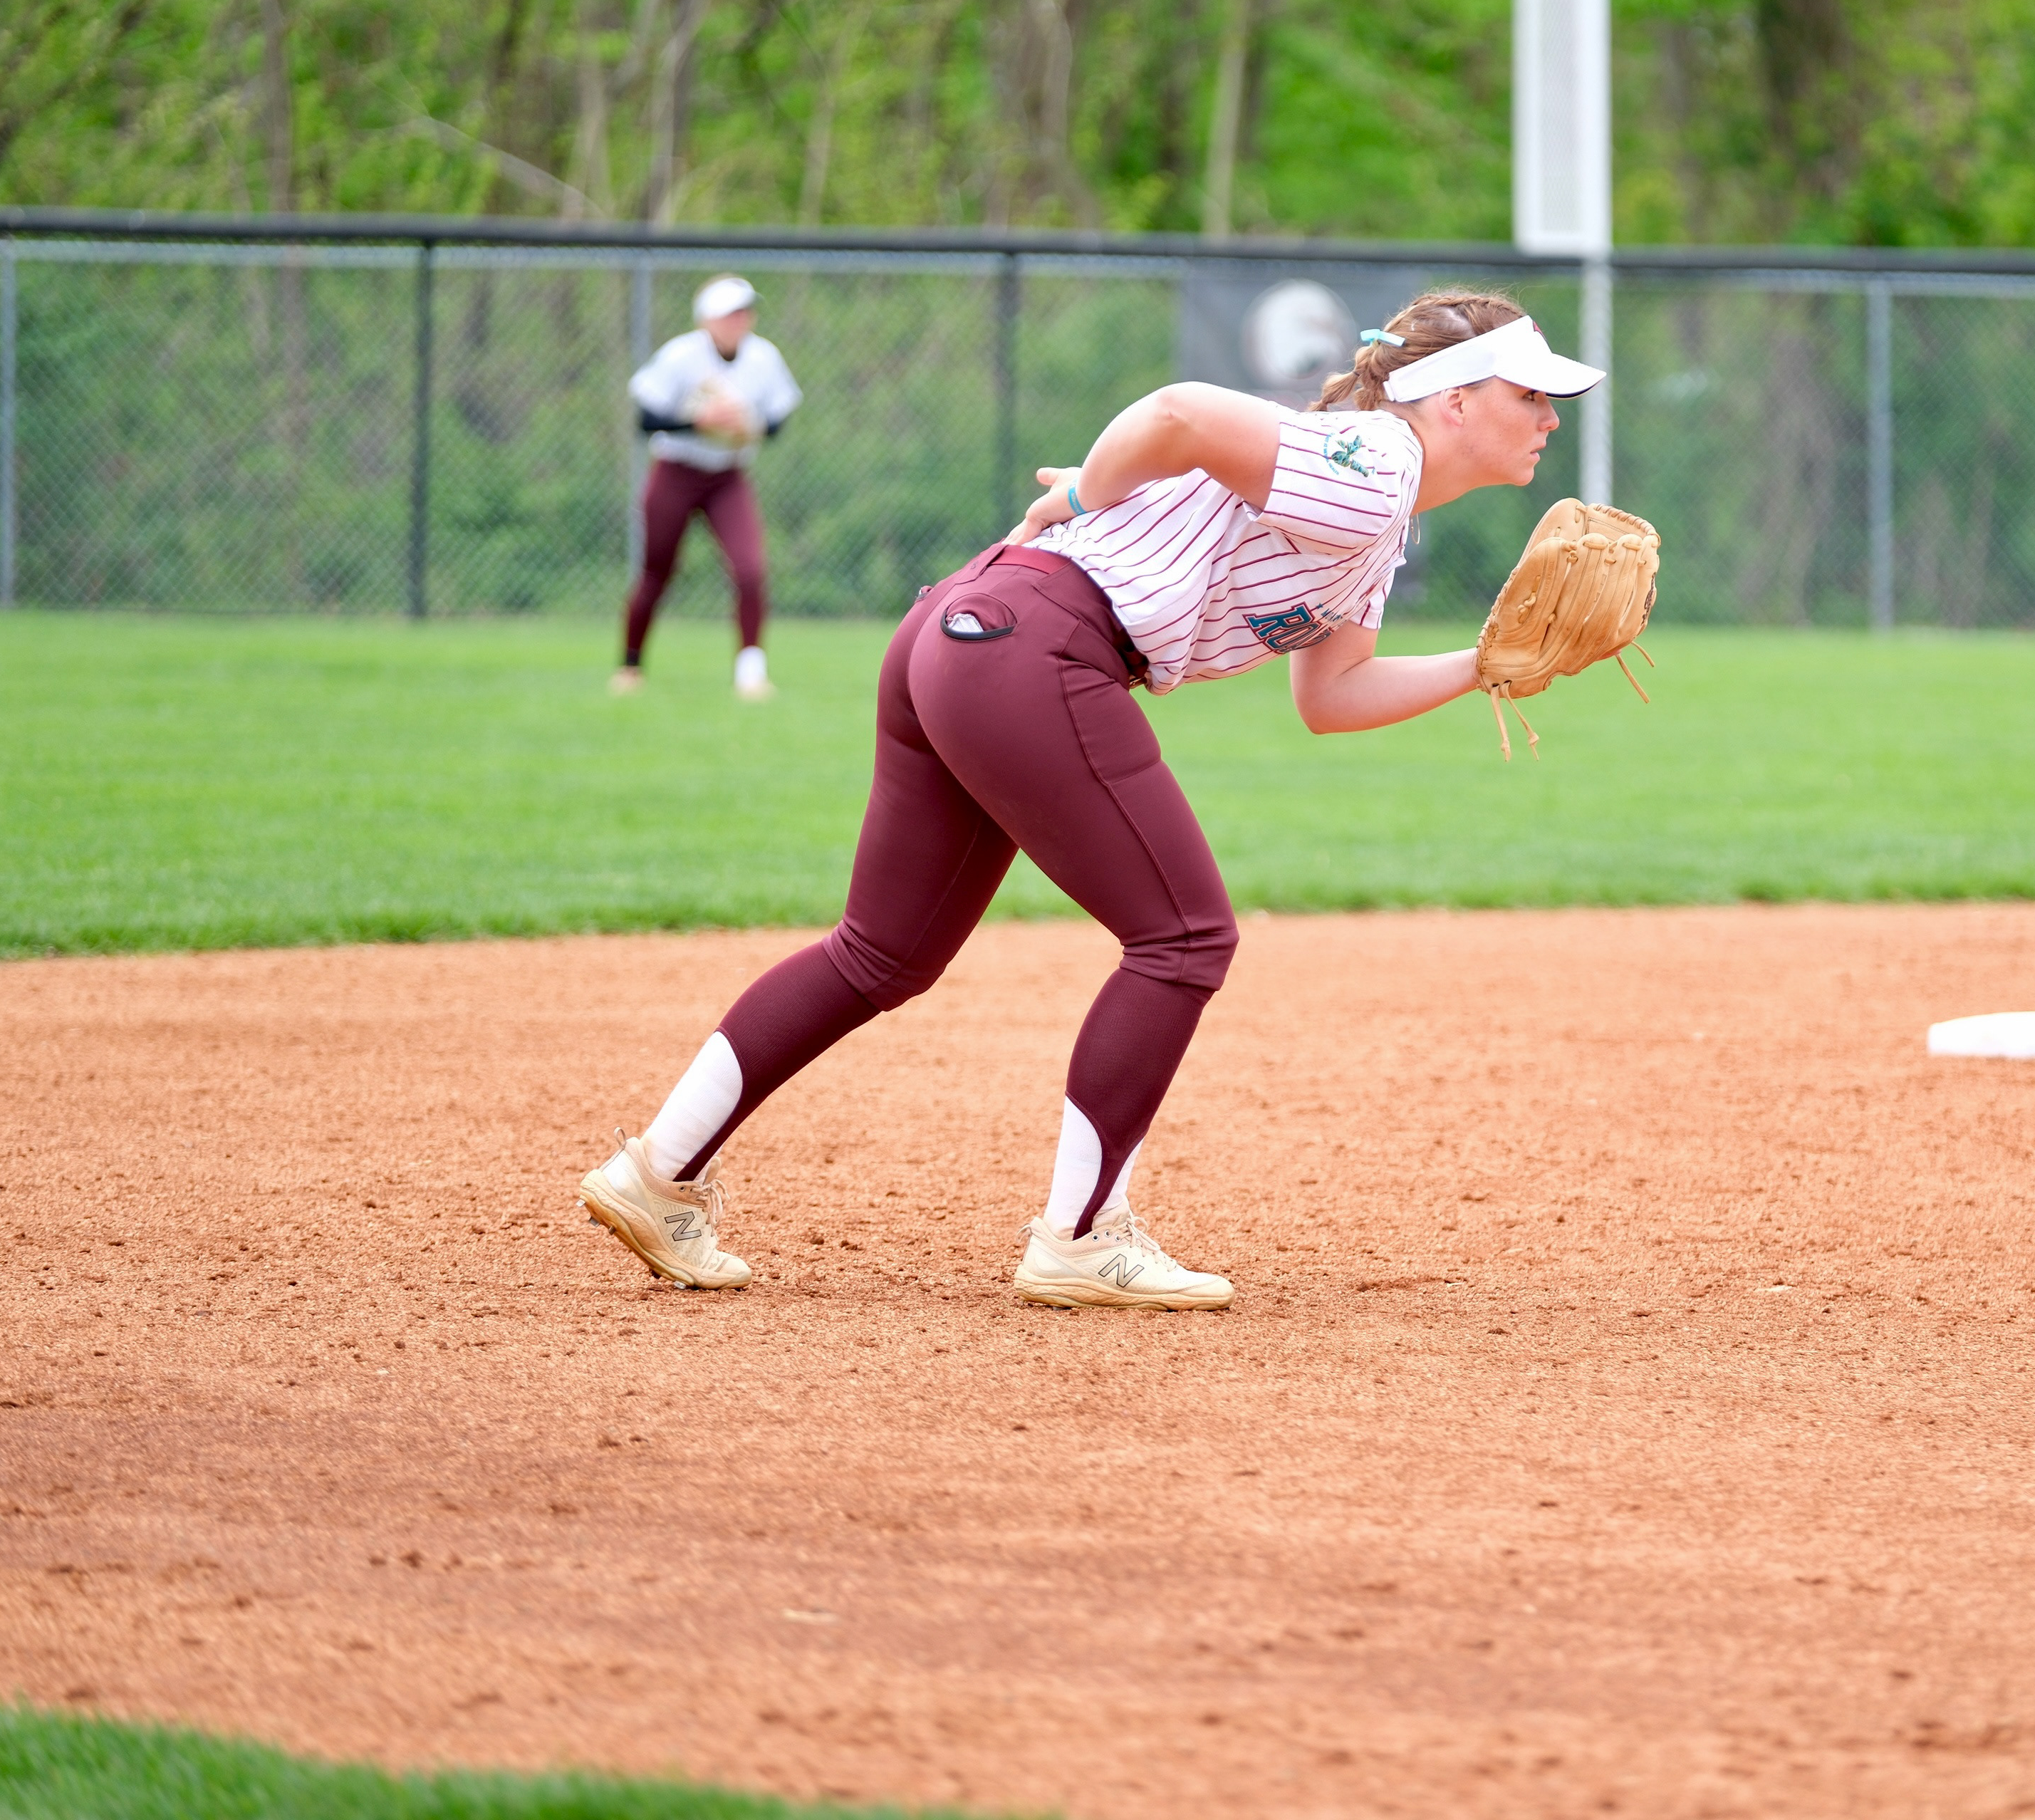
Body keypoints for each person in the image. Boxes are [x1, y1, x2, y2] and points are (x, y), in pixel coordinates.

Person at [576, 291, 1602, 1305]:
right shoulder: (1378, 465)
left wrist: (1486, 665)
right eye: (1529, 395)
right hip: (1037, 644)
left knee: (881, 954)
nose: (1550, 418)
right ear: (1453, 401)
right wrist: (1084, 494)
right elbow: (1178, 414)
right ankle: (1081, 1235)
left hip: (969, 633)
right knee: (1184, 938)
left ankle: (656, 1172)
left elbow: (1330, 698)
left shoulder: (1377, 514)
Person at [614, 275, 803, 701]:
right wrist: (699, 422)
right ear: (707, 319)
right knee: (656, 571)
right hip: (676, 473)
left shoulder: (763, 357)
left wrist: (747, 425)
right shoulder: (682, 355)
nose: (741, 320)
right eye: (730, 313)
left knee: (750, 570)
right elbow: (646, 420)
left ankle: (751, 675)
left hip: (727, 476)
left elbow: (776, 421)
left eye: (745, 312)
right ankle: (630, 666)